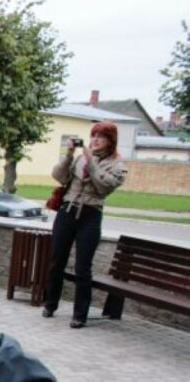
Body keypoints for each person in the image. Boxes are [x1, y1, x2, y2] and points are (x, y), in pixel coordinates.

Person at [43, 122, 127, 328]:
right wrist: (69, 155)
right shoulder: (79, 159)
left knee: (83, 267)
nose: (95, 140)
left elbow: (104, 187)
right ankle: (50, 304)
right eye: (93, 136)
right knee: (56, 260)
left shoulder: (117, 164)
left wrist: (92, 162)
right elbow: (59, 176)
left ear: (110, 141)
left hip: (91, 214)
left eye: (101, 136)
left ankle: (80, 314)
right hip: (68, 211)